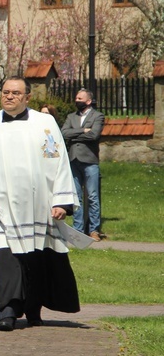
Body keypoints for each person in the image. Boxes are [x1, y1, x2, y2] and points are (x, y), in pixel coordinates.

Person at [0, 76, 80, 331]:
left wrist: (62, 200)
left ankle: (33, 307)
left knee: (34, 258)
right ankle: (7, 309)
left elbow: (57, 161)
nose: (10, 97)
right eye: (5, 92)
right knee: (5, 257)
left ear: (27, 97)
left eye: (16, 93)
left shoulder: (45, 123)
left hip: (36, 204)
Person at [61, 89, 105, 242]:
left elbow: (94, 135)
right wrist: (82, 130)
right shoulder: (71, 117)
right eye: (76, 97)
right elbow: (64, 133)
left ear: (88, 101)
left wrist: (75, 134)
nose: (76, 100)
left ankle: (94, 230)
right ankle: (77, 229)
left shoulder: (98, 116)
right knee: (76, 197)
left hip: (90, 160)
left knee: (92, 196)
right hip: (74, 159)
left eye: (80, 98)